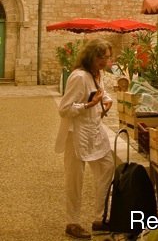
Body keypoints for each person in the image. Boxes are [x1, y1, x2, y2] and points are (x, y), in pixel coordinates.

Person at [55, 38, 115, 239]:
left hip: (95, 130)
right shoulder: (78, 77)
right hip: (76, 133)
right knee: (75, 179)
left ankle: (101, 217)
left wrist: (106, 101)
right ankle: (72, 222)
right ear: (92, 57)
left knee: (107, 167)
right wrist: (88, 106)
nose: (106, 61)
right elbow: (64, 109)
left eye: (108, 57)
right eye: (102, 58)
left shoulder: (97, 74)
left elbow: (101, 94)